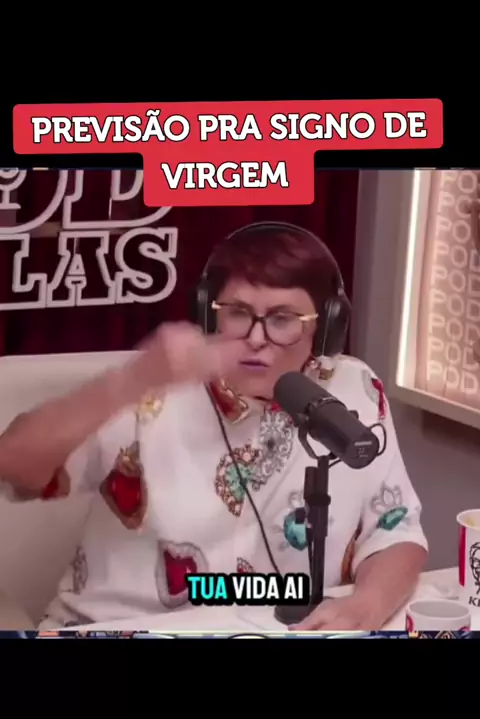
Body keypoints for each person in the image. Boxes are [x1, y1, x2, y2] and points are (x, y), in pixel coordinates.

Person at [0, 222, 427, 631]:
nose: (256, 338)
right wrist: (130, 381)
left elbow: (395, 529)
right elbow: (12, 463)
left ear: (326, 326)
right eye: (238, 313)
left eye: (282, 319)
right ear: (209, 314)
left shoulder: (352, 391)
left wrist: (367, 605)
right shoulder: (151, 389)